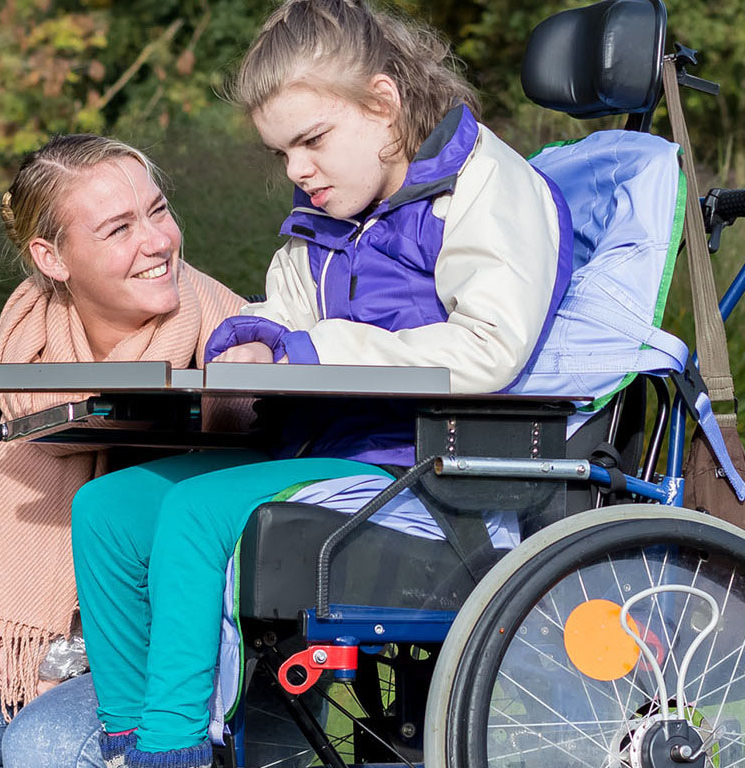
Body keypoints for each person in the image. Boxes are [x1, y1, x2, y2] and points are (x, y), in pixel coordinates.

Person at [71, 1, 573, 767]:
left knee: (197, 512)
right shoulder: (335, 210)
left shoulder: (486, 187)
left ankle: (169, 751)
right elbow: (284, 311)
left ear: (383, 103)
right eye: (281, 154)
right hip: (323, 447)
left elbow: (489, 349)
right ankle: (123, 738)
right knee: (106, 508)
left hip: (429, 470)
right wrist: (250, 341)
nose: (298, 171)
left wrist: (310, 347)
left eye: (311, 141)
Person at [0, 133, 249, 768]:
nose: (156, 242)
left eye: (157, 211)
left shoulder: (238, 345)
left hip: (178, 662)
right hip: (23, 658)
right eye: (119, 228)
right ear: (53, 257)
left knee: (39, 747)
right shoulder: (12, 363)